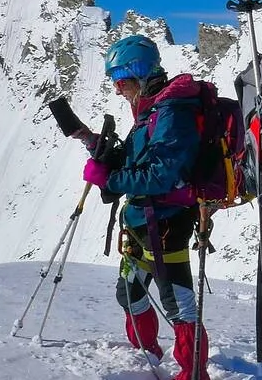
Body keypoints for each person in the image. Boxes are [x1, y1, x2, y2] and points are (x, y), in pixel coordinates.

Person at [82, 34, 209, 380]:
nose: (117, 89)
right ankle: (144, 355)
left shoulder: (172, 112)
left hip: (166, 225)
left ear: (139, 72)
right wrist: (94, 144)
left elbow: (160, 176)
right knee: (129, 292)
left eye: (120, 80)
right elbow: (135, 157)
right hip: (141, 222)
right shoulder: (150, 110)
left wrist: (110, 180)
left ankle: (193, 373)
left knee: (178, 303)